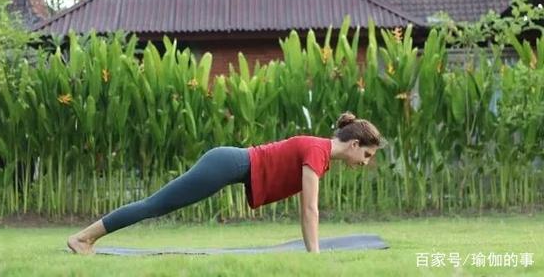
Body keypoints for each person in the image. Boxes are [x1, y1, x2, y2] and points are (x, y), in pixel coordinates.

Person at [67, 111, 384, 254]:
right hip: (226, 163)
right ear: (354, 144)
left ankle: (85, 239)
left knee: (156, 205)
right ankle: (83, 238)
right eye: (367, 155)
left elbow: (308, 208)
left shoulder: (320, 153)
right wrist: (314, 256)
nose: (365, 162)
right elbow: (310, 210)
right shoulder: (317, 151)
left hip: (230, 164)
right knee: (155, 205)